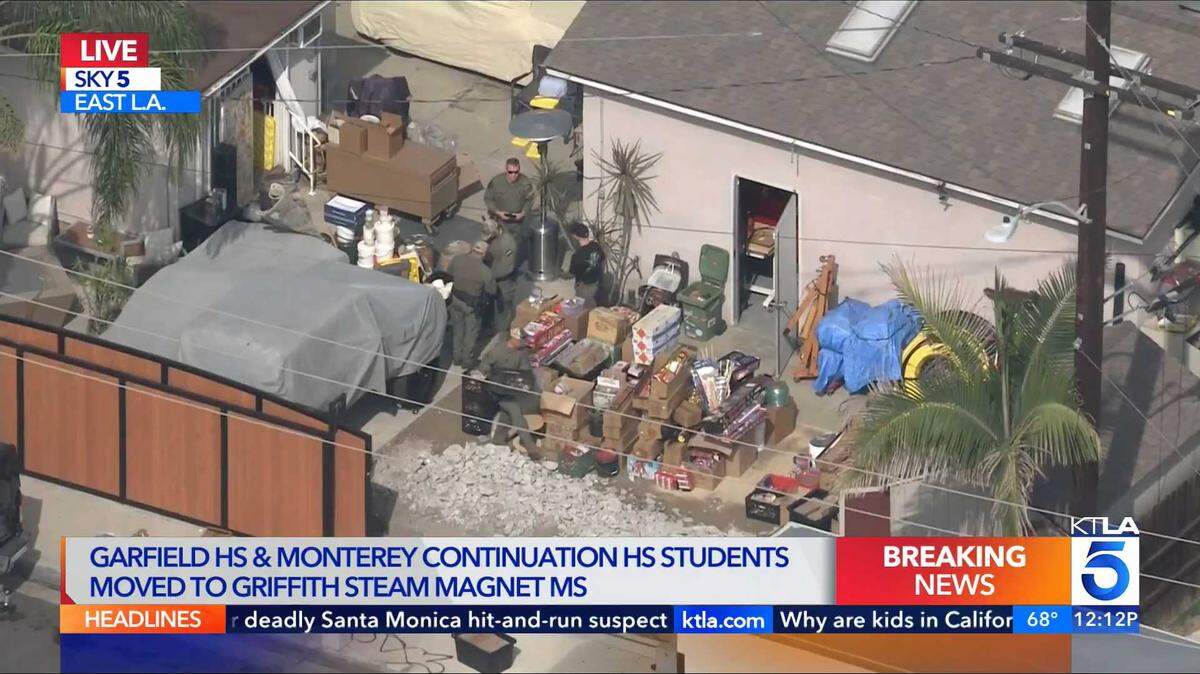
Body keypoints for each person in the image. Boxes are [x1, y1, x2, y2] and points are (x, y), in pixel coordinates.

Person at [478, 332, 539, 453]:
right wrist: (492, 375)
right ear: (514, 339)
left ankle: (498, 440)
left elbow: (526, 372)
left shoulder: (520, 353)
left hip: (511, 388)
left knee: (507, 414)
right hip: (497, 390)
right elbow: (484, 366)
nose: (523, 343)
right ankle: (529, 445)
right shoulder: (497, 350)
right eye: (521, 341)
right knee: (516, 414)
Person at [447, 240, 496, 369]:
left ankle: (456, 358)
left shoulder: (457, 259)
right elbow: (492, 290)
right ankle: (466, 361)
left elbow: (449, 274)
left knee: (457, 329)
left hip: (455, 299)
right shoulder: (484, 270)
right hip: (471, 305)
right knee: (471, 332)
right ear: (484, 254)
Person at [484, 157, 534, 263]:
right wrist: (497, 212)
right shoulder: (496, 182)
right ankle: (494, 262)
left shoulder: (525, 183)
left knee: (513, 247)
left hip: (517, 223)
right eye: (510, 172)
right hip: (499, 222)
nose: (513, 175)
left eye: (516, 172)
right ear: (505, 170)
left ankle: (509, 265)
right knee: (497, 244)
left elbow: (530, 200)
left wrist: (523, 212)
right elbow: (488, 199)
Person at [483, 219, 520, 334]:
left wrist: (489, 276)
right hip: (491, 276)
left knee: (503, 306)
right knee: (491, 304)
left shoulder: (508, 244)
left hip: (503, 280)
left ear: (496, 231)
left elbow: (507, 268)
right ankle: (492, 326)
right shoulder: (493, 238)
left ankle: (503, 332)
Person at [567, 222, 605, 307]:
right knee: (592, 304)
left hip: (584, 286)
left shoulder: (577, 255)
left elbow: (572, 272)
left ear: (576, 236)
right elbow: (602, 259)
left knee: (583, 309)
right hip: (596, 283)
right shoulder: (596, 246)